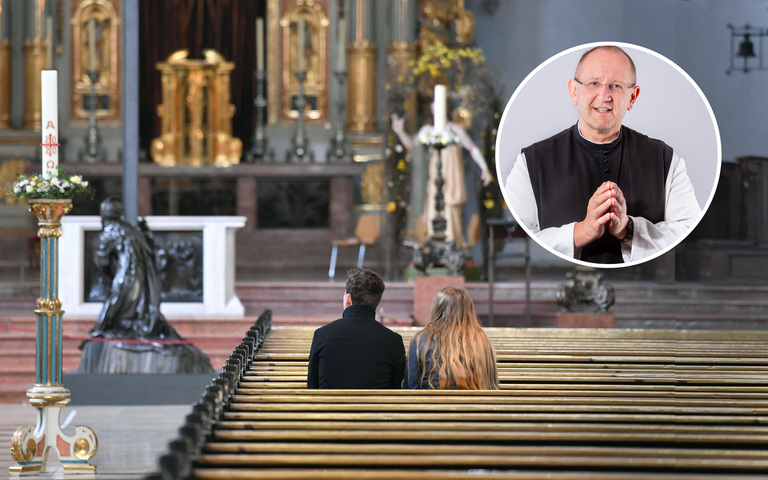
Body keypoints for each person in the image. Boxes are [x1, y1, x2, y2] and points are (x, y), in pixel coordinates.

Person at [505, 45, 701, 264]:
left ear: (633, 97)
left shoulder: (665, 160)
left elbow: (687, 231)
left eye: (616, 86)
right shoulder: (531, 163)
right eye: (594, 83)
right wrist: (582, 231)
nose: (604, 95)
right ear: (573, 91)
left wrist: (628, 230)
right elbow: (515, 239)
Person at [391, 107, 491, 249]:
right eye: (433, 108)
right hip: (435, 179)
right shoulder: (428, 130)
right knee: (432, 209)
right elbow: (411, 145)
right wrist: (400, 131)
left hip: (452, 179)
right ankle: (434, 249)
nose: (435, 110)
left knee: (451, 211)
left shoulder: (455, 129)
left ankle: (452, 248)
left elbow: (472, 149)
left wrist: (484, 168)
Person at [307, 268, 406, 389]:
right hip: (375, 407)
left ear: (348, 299)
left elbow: (312, 386)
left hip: (329, 407)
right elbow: (395, 389)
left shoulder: (322, 334)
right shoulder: (393, 340)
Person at [404, 286, 498, 390]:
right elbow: (492, 386)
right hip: (475, 405)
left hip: (432, 405)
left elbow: (411, 386)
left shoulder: (421, 339)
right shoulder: (482, 340)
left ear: (438, 308)